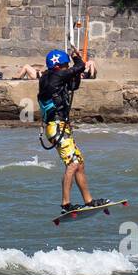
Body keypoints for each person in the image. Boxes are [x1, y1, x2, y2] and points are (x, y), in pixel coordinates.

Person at [37, 48, 102, 211]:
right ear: (58, 66)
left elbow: (73, 86)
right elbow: (79, 66)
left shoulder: (50, 77)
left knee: (79, 163)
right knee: (72, 164)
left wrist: (75, 74)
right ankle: (66, 203)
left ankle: (89, 200)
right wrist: (77, 57)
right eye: (66, 65)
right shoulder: (54, 76)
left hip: (60, 128)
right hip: (56, 127)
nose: (68, 67)